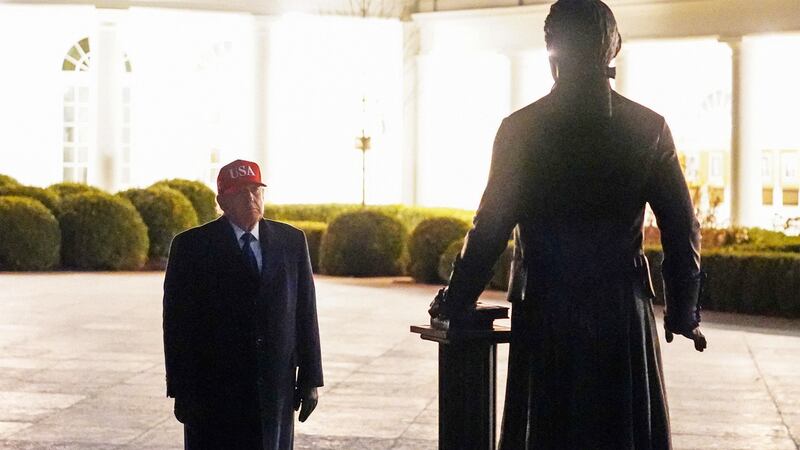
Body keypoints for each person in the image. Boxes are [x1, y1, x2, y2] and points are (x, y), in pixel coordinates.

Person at [429, 1, 706, 448]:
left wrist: (457, 300)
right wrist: (683, 309)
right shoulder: (648, 127)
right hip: (619, 308)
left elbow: (490, 227)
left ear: (551, 49)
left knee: (548, 429)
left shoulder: (520, 130)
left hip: (548, 305)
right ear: (611, 47)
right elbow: (681, 226)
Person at [163, 159, 323, 450]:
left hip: (275, 387)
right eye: (240, 193)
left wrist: (311, 379)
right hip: (214, 390)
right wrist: (180, 389)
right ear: (222, 201)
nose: (251, 199)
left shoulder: (291, 242)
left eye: (255, 191)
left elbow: (305, 314)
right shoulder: (192, 248)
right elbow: (177, 324)